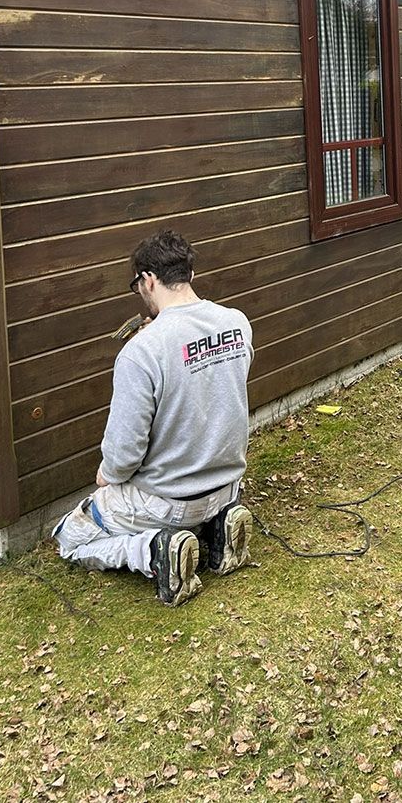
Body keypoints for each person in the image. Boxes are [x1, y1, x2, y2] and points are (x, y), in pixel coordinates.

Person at [53, 229, 254, 607]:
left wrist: (108, 474)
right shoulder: (236, 323)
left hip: (168, 500)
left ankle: (155, 552)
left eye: (137, 286)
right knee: (199, 509)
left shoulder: (141, 352)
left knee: (70, 537)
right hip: (226, 485)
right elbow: (213, 391)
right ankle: (218, 528)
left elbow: (125, 453)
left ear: (147, 280)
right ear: (190, 274)